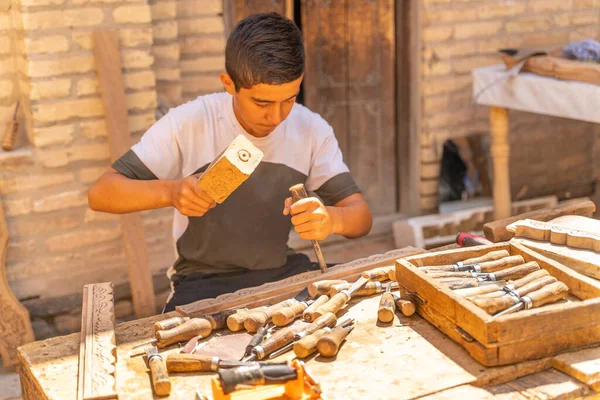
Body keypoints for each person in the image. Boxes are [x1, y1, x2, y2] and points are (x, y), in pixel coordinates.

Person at [88, 12, 373, 312]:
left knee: (356, 304)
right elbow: (102, 193)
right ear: (229, 84)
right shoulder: (190, 122)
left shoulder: (311, 129)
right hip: (202, 280)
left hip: (280, 271)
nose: (276, 117)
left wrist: (331, 220)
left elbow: (361, 218)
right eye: (261, 103)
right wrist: (171, 193)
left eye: (289, 99)